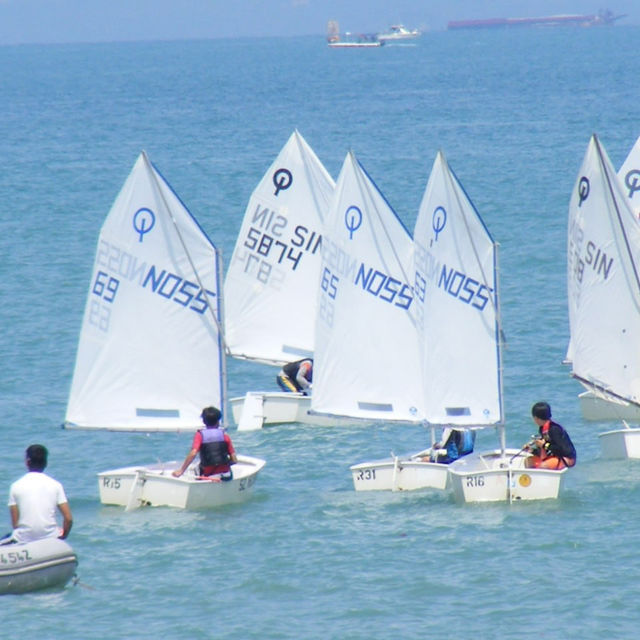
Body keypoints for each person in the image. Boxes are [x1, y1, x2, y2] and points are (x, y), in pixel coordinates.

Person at [3, 444, 72, 544]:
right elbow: (68, 519)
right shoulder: (56, 485)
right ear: (46, 463)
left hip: (23, 539)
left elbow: (15, 524)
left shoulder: (15, 486)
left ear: (27, 462)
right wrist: (64, 535)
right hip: (51, 538)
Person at [172, 406, 237, 480]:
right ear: (218, 421)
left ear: (204, 421)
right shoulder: (224, 436)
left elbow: (193, 453)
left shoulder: (200, 435)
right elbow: (234, 460)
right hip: (226, 476)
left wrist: (181, 470)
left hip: (208, 475)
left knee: (195, 469)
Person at [525, 401, 576, 470]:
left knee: (543, 466)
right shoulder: (542, 429)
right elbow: (546, 450)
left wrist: (544, 445)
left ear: (536, 418)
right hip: (554, 456)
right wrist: (531, 450)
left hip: (566, 458)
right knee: (528, 461)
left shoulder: (554, 429)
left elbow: (561, 449)